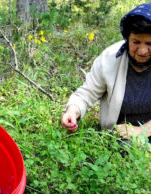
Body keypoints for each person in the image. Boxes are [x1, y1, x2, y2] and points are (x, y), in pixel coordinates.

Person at [61, 3, 151, 140]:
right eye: (136, 42)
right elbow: (86, 93)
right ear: (127, 39)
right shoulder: (110, 59)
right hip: (118, 137)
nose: (143, 50)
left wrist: (142, 130)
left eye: (149, 43)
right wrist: (72, 111)